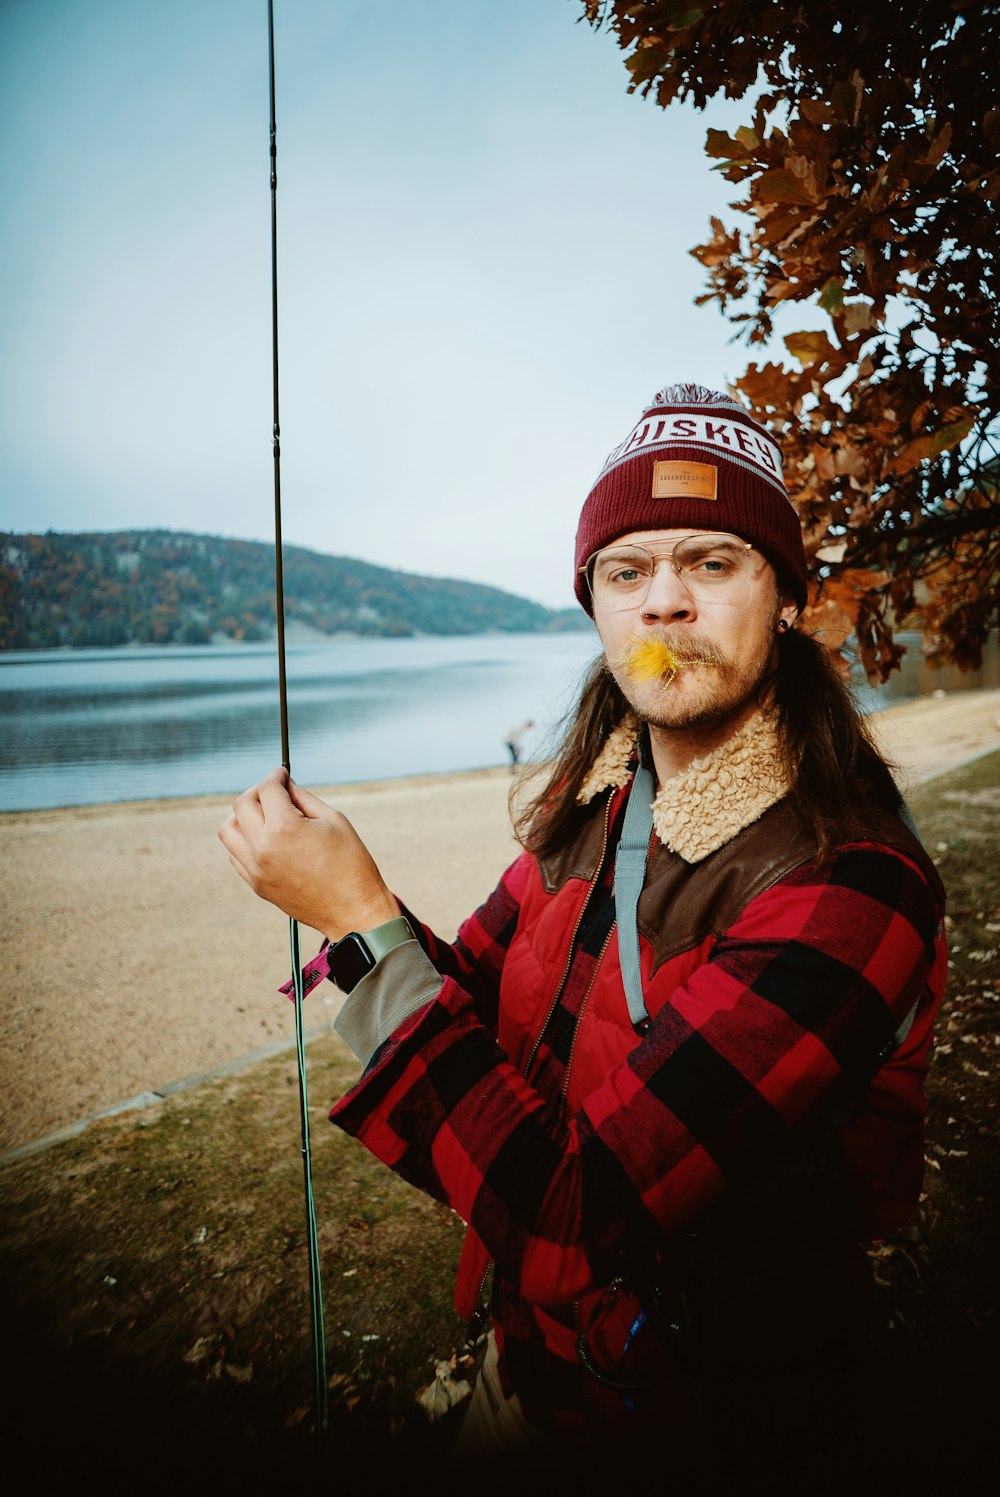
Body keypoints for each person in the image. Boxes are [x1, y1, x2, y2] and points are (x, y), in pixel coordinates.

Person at [219, 383, 946, 1492]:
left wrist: (357, 918)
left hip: (701, 1419)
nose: (664, 605)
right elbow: (458, 988)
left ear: (788, 598)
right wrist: (347, 907)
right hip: (536, 1374)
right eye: (626, 572)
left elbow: (570, 1216)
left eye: (711, 562)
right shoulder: (597, 812)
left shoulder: (851, 886)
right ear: (597, 609)